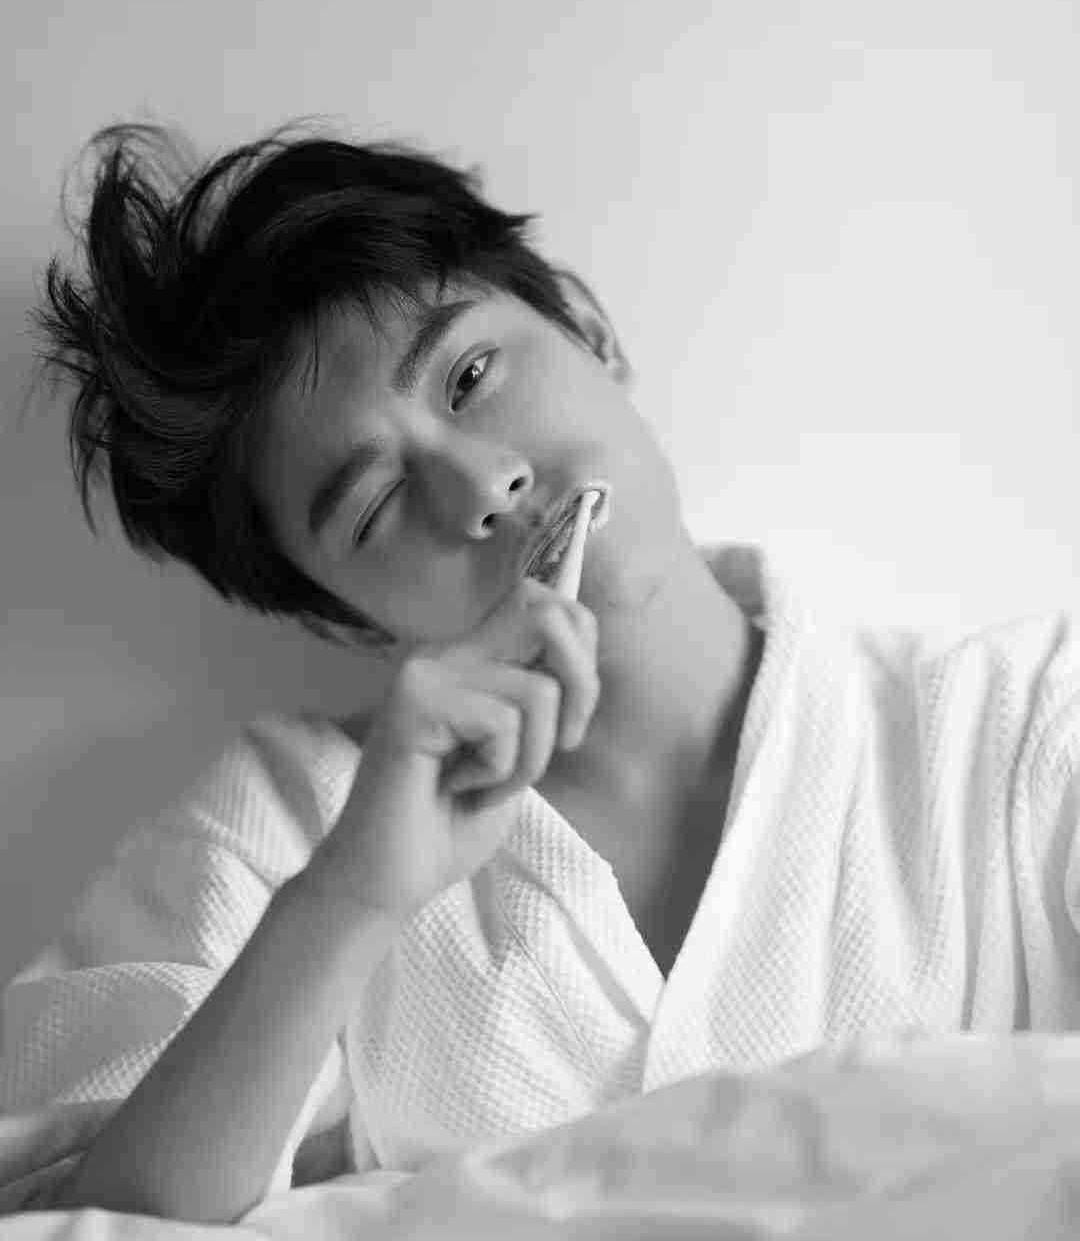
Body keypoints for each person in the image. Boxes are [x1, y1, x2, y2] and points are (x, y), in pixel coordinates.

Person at [2, 121, 1078, 1223]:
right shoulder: (280, 828)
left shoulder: (1022, 722)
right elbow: (83, 1220)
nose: (482, 487)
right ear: (348, 620)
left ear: (589, 332)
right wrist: (354, 900)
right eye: (374, 506)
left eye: (471, 376)